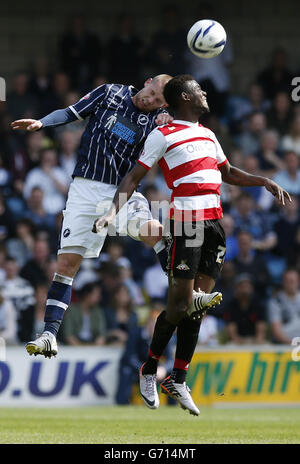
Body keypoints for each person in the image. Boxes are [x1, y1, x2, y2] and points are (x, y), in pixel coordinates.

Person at [93, 74, 291, 415]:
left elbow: (227, 173)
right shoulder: (163, 134)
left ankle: (178, 378)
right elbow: (133, 178)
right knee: (180, 304)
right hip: (186, 224)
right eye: (198, 89)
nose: (204, 92)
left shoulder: (209, 134)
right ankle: (150, 368)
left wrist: (264, 181)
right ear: (184, 96)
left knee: (196, 308)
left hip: (215, 225)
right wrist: (112, 212)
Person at [12, 74, 210, 358]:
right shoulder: (110, 93)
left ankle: (190, 294)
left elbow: (183, 132)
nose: (151, 101)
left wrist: (168, 125)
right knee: (67, 264)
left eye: (158, 102)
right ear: (148, 81)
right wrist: (42, 122)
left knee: (157, 231)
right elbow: (71, 113)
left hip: (121, 192)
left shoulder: (159, 120)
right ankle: (49, 335)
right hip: (84, 188)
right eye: (152, 93)